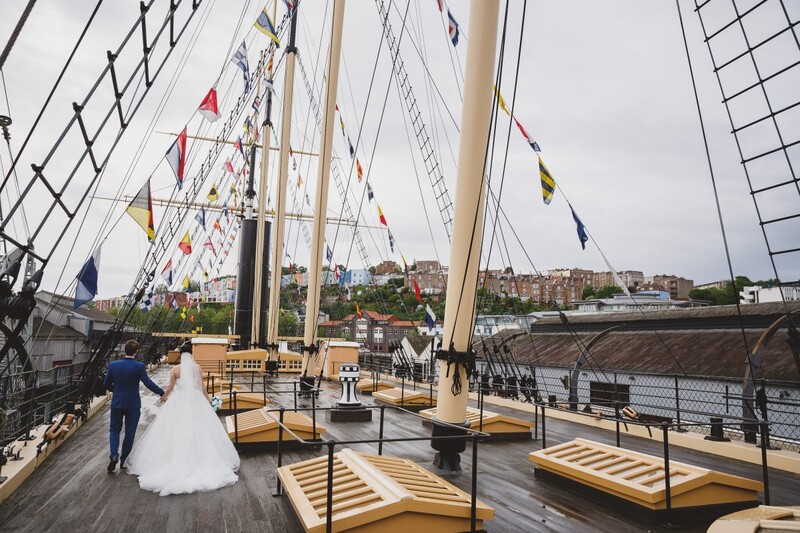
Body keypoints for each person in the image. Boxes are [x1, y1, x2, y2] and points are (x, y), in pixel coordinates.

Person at [125, 341, 240, 496]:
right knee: (200, 428)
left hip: (179, 400)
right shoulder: (197, 368)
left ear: (180, 355)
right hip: (195, 399)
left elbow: (171, 387)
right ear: (191, 354)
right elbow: (202, 386)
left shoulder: (175, 369)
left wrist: (164, 397)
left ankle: (174, 456)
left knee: (176, 428)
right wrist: (208, 400)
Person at [103, 339, 165, 473]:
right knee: (130, 432)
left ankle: (114, 454)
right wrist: (161, 392)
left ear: (125, 350)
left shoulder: (113, 365)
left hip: (117, 402)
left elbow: (106, 384)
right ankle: (123, 459)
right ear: (136, 352)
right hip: (132, 403)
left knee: (114, 429)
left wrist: (116, 389)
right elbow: (147, 382)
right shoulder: (139, 366)